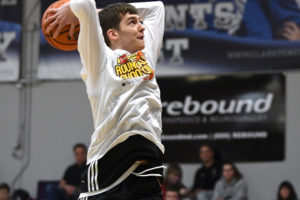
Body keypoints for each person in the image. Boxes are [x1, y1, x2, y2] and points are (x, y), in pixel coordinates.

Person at [44, 0, 165, 199]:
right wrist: (72, 9)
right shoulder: (99, 59)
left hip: (148, 163)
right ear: (113, 34)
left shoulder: (146, 55)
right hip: (110, 162)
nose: (141, 25)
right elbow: (85, 3)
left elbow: (157, 8)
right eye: (132, 22)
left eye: (139, 21)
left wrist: (105, 12)